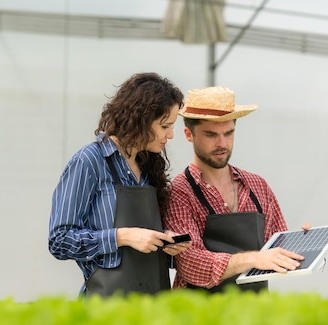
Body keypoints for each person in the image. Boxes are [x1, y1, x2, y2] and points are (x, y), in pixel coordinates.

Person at [48, 72, 190, 298]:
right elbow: (60, 241)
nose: (171, 135)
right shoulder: (89, 161)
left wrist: (166, 245)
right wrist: (121, 237)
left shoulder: (149, 166)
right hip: (106, 307)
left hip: (153, 304)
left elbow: (143, 241)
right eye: (165, 126)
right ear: (140, 120)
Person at [163, 86, 308, 293]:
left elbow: (276, 248)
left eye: (229, 133)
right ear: (188, 134)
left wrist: (306, 242)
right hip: (198, 317)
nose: (222, 143)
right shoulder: (180, 191)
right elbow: (191, 264)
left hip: (253, 313)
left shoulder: (257, 186)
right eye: (211, 135)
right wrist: (254, 258)